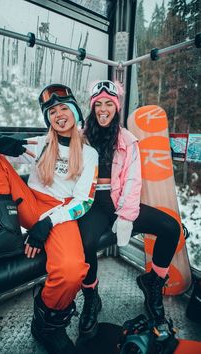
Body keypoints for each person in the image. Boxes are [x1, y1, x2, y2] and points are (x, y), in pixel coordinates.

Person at [0, 84, 99, 354]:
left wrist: (46, 224)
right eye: (51, 112)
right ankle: (4, 230)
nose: (58, 114)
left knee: (72, 270)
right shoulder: (40, 144)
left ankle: (48, 323)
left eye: (64, 108)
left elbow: (84, 201)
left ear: (75, 111)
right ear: (47, 118)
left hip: (58, 214)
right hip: (27, 203)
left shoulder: (88, 153)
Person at [77, 80, 181, 339]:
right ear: (92, 107)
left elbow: (134, 181)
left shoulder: (127, 140)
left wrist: (125, 216)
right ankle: (91, 296)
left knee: (170, 227)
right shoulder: (80, 136)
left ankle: (153, 283)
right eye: (98, 104)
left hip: (121, 202)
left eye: (108, 104)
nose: (103, 109)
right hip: (93, 204)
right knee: (86, 241)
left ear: (116, 107)